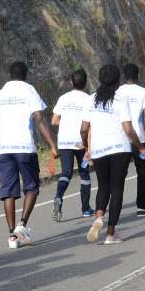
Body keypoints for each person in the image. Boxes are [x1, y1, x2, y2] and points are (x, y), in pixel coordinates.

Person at [0, 61, 59, 249]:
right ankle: (22, 225)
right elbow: (40, 119)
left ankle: (12, 236)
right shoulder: (29, 91)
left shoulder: (0, 94)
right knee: (32, 186)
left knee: (8, 192)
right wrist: (52, 145)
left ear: (10, 75)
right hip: (24, 148)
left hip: (4, 149)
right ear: (26, 76)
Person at [81, 65, 145, 245]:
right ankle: (110, 234)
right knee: (117, 189)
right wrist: (141, 147)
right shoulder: (120, 100)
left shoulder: (90, 99)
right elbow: (128, 129)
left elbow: (84, 129)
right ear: (118, 80)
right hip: (120, 148)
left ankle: (99, 218)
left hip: (99, 149)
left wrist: (86, 146)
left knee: (103, 187)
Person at [51, 69, 93, 221]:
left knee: (66, 173)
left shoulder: (63, 98)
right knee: (84, 174)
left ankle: (58, 197)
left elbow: (54, 121)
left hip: (64, 141)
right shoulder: (89, 99)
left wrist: (68, 122)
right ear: (86, 83)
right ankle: (86, 209)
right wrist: (89, 146)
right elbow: (90, 125)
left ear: (71, 83)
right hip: (81, 141)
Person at [117, 63, 145, 216]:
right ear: (138, 76)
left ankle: (116, 210)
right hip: (139, 138)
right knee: (141, 172)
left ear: (123, 76)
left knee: (119, 175)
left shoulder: (117, 91)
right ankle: (141, 207)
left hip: (121, 138)